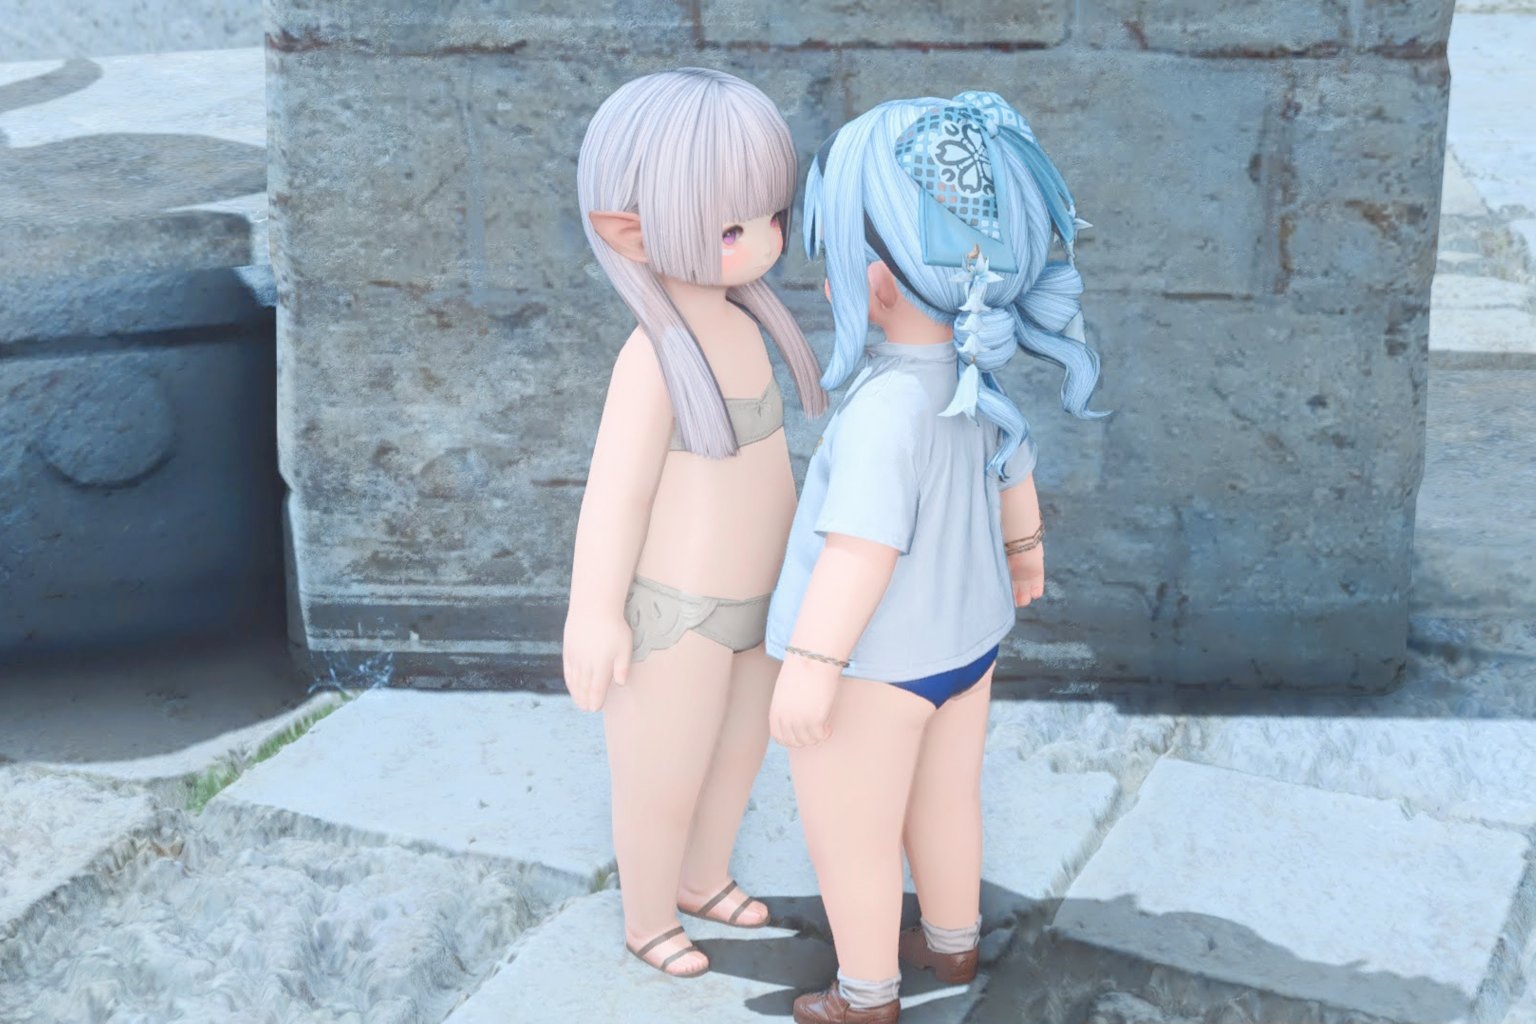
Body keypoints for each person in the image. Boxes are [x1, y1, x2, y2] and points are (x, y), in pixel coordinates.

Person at [764, 91, 1107, 1023]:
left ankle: (865, 993)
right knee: (948, 801)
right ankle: (953, 943)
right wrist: (1025, 558)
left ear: (875, 282)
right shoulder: (974, 379)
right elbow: (1013, 473)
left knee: (854, 832)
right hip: (968, 647)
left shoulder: (885, 409)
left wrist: (812, 664)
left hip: (875, 666)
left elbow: (861, 550)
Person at [563, 67, 828, 978]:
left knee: (737, 757)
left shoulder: (748, 328)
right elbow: (616, 494)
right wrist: (594, 612)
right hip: (674, 613)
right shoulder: (651, 360)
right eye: (731, 228)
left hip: (762, 600)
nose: (763, 241)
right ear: (630, 232)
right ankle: (646, 917)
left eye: (770, 216)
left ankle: (702, 877)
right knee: (661, 775)